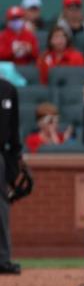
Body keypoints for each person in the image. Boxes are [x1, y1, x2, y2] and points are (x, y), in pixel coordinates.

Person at [0, 78, 22, 274]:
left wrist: (15, 160)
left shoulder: (7, 89)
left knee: (1, 207)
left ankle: (2, 259)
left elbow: (13, 128)